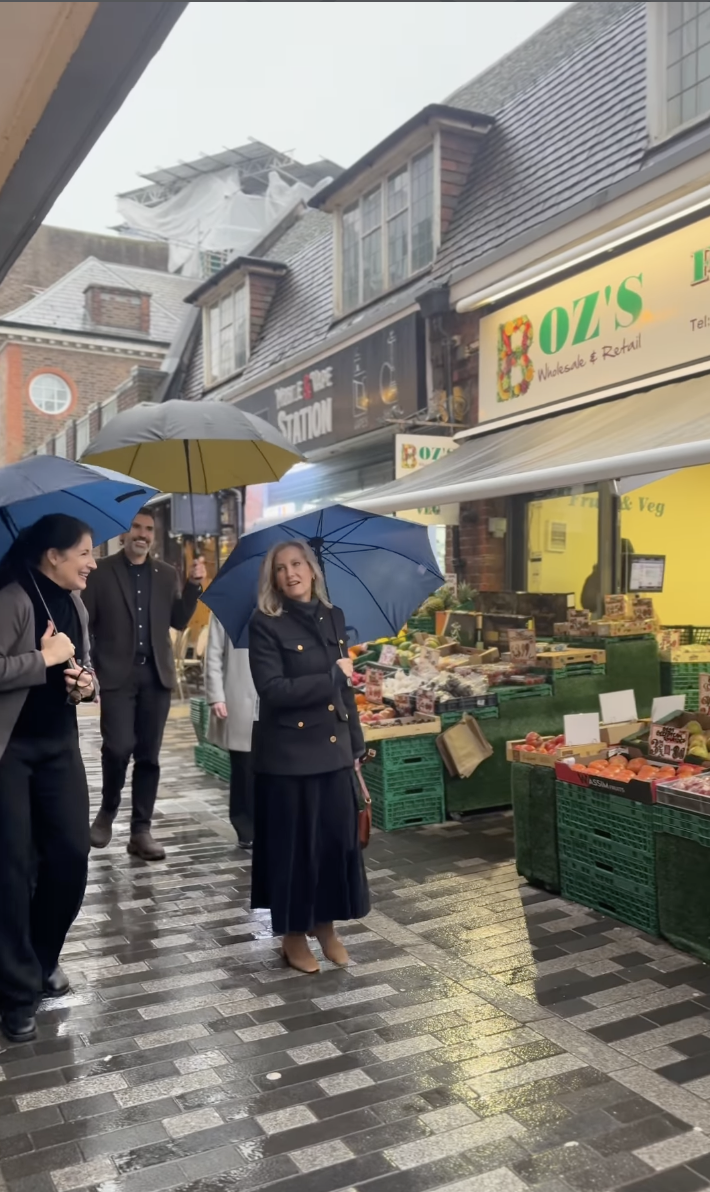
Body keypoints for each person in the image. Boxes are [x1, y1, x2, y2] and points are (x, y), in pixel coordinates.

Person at [248, 539, 369, 974]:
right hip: (289, 759)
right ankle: (293, 935)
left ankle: (325, 925)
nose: (291, 573)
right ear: (273, 580)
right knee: (295, 851)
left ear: (313, 570)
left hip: (333, 752)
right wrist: (329, 677)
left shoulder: (332, 616)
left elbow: (346, 692)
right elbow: (273, 691)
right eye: (280, 569)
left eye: (298, 564)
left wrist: (356, 746)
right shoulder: (265, 624)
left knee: (334, 846)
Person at [0, 514, 98, 1043]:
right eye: (84, 552)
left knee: (70, 859)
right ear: (53, 556)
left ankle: (39, 960)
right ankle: (16, 994)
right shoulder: (13, 597)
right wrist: (43, 657)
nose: (92, 562)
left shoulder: (75, 603)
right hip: (10, 753)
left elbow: (85, 667)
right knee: (12, 873)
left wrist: (84, 681)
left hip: (59, 747)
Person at [82, 507, 206, 861]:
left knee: (148, 756)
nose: (142, 534)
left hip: (156, 676)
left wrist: (195, 584)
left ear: (153, 535)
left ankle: (141, 830)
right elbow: (85, 623)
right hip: (117, 677)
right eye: (136, 527)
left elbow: (180, 621)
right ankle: (107, 810)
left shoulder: (167, 574)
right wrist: (88, 669)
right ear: (125, 532)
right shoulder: (101, 572)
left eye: (148, 529)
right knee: (118, 747)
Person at [204, 614, 257, 850]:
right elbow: (213, 655)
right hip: (239, 697)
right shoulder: (226, 608)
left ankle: (272, 824)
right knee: (244, 768)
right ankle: (245, 828)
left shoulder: (281, 604)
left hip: (274, 698)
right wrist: (216, 695)